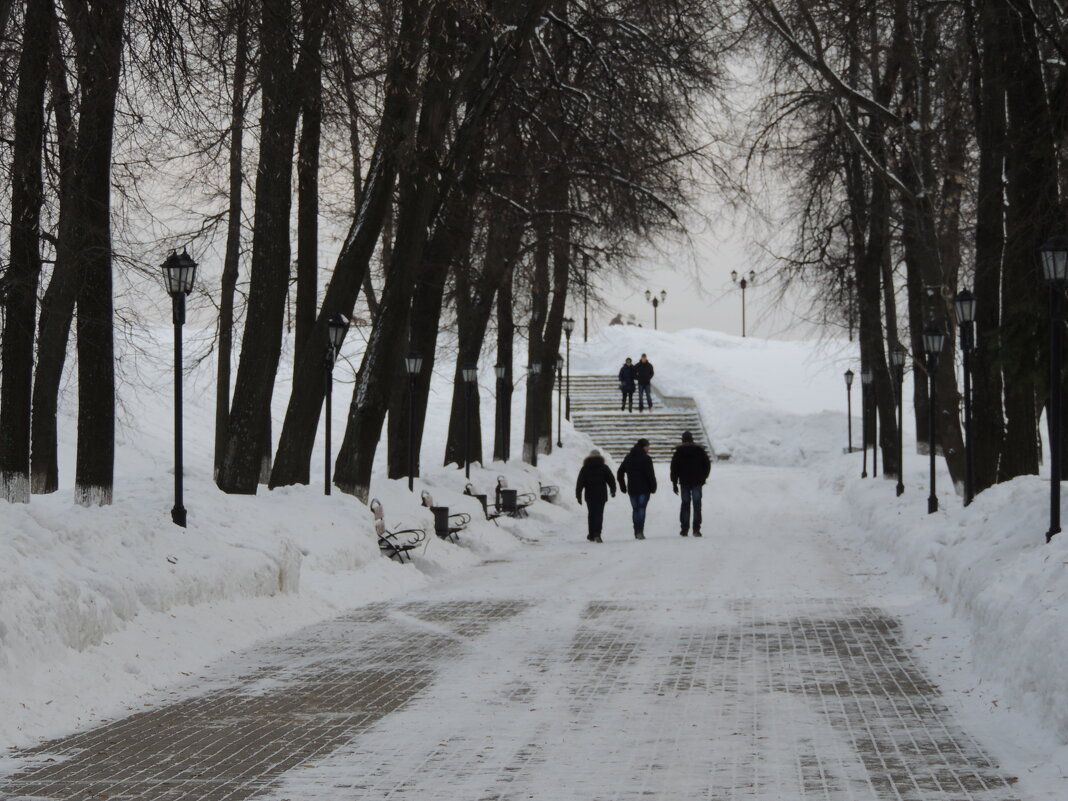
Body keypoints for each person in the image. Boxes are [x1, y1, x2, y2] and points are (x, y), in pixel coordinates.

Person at [670, 431, 711, 537]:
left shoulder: (678, 452)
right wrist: (704, 477)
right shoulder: (700, 451)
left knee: (685, 505)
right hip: (697, 481)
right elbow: (707, 465)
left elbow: (674, 469)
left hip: (684, 482)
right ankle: (696, 529)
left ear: (682, 440)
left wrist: (674, 483)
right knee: (697, 505)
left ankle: (684, 529)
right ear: (692, 439)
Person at [617, 438, 657, 539]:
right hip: (644, 488)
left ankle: (636, 531)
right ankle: (640, 531)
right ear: (644, 447)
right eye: (648, 446)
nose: (649, 448)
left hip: (632, 488)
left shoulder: (628, 457)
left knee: (635, 509)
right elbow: (650, 474)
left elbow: (620, 472)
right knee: (641, 508)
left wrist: (623, 486)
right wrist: (653, 486)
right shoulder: (646, 458)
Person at [576, 449, 617, 543]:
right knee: (599, 514)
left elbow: (580, 483)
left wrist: (578, 496)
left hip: (589, 495)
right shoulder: (604, 467)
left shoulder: (585, 468)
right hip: (601, 495)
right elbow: (611, 480)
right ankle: (597, 534)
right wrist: (613, 490)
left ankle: (591, 534)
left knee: (591, 514)